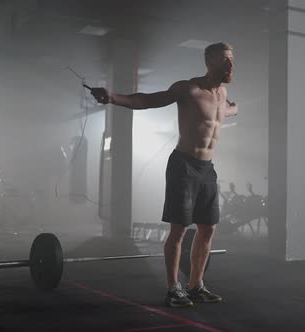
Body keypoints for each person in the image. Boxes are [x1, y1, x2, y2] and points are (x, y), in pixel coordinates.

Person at [90, 42, 237, 307]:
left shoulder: (222, 94)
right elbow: (148, 100)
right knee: (179, 231)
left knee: (208, 228)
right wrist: (113, 97)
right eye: (226, 60)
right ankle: (174, 289)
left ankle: (196, 286)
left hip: (207, 169)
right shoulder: (189, 89)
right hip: (184, 164)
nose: (231, 65)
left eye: (232, 60)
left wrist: (234, 108)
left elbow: (222, 112)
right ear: (211, 63)